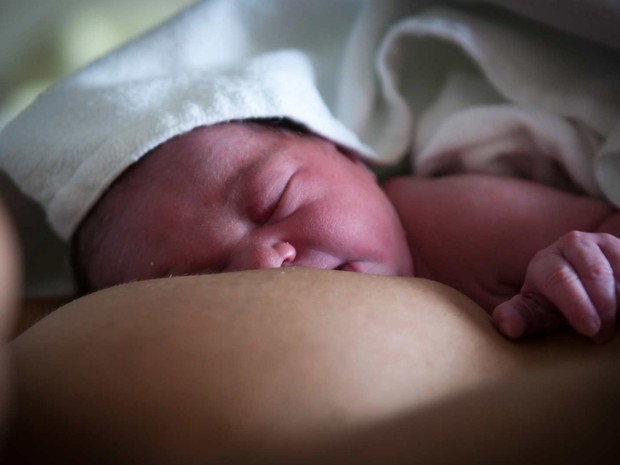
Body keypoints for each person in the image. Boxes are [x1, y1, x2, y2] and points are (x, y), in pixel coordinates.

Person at [75, 119, 620, 344]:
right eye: (208, 280)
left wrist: (580, 267)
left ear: (350, 157)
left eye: (275, 200)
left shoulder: (445, 219)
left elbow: (604, 232)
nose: (264, 263)